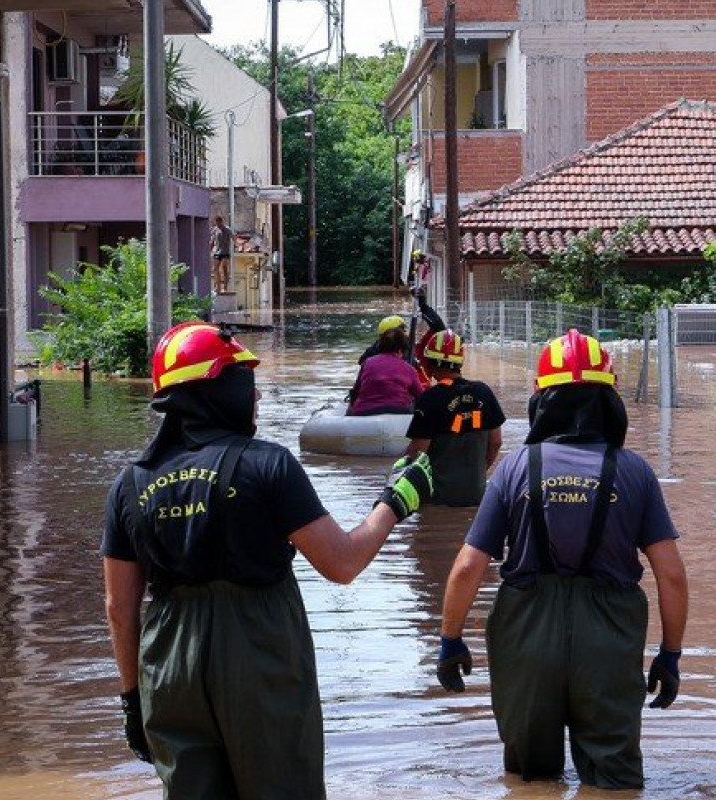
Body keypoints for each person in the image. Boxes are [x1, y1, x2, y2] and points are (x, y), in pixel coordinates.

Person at [103, 321, 432, 799]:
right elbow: (342, 563)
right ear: (217, 390)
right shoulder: (268, 465)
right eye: (245, 385)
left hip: (169, 663)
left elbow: (119, 606)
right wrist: (394, 503)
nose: (255, 399)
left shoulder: (129, 485)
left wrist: (134, 700)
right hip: (260, 653)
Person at [433, 329, 689, 790]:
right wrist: (670, 655)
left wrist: (451, 639)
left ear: (540, 397)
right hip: (608, 640)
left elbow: (469, 566)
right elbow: (671, 575)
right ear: (609, 398)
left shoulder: (514, 468)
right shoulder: (634, 472)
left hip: (526, 634)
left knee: (529, 779)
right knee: (616, 780)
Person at [403, 331, 506, 506]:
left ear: (430, 363)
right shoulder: (484, 392)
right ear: (460, 361)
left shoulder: (429, 398)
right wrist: (478, 474)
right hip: (477, 496)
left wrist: (399, 473)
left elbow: (416, 453)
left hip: (437, 499)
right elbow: (496, 442)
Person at [346, 319, 422, 416]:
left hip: (365, 410)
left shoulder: (367, 363)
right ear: (400, 350)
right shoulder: (409, 369)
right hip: (399, 411)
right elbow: (420, 396)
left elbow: (356, 391)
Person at [209, 217, 232, 294]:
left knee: (224, 268)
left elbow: (233, 237)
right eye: (216, 223)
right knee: (215, 269)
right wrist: (210, 249)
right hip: (217, 252)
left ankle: (225, 287)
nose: (218, 224)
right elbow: (212, 240)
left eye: (219, 222)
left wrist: (236, 244)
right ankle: (217, 286)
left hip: (225, 252)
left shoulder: (227, 229)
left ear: (221, 222)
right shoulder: (215, 229)